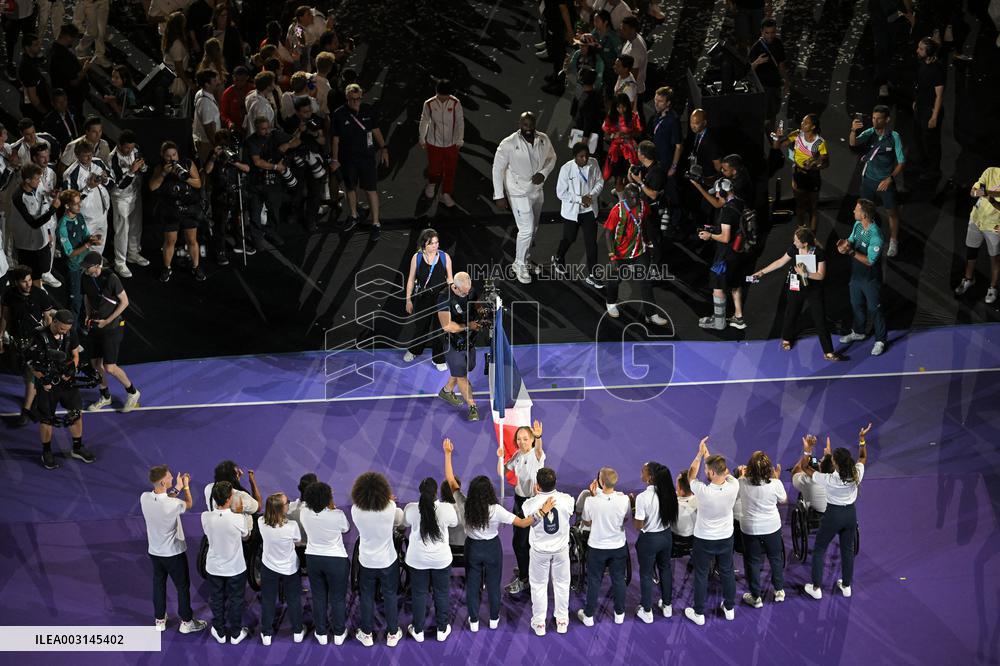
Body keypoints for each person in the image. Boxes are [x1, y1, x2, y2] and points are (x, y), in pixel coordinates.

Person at [463, 468, 545, 631]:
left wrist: (448, 456)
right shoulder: (496, 510)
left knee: (472, 586)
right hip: (492, 549)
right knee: (493, 585)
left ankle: (473, 621)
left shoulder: (467, 506)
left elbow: (452, 484)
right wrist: (541, 512)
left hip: (472, 548)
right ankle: (494, 619)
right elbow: (522, 523)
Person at [801, 424, 871, 599]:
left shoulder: (829, 479)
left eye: (833, 460)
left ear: (836, 464)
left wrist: (808, 451)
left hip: (833, 515)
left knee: (819, 549)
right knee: (847, 549)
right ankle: (846, 586)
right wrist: (861, 439)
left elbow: (805, 468)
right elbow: (862, 457)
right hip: (850, 515)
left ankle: (816, 588)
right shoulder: (857, 473)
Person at [752, 227, 840, 360]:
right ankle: (787, 338)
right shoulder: (794, 249)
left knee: (820, 319)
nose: (794, 243)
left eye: (796, 241)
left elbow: (821, 275)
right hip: (796, 286)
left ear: (804, 243)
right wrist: (762, 272)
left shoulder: (819, 253)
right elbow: (780, 262)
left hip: (813, 288)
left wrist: (805, 274)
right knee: (791, 313)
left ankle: (828, 351)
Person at [140, 465, 208, 634]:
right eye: (169, 477)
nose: (171, 478)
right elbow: (189, 504)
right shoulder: (173, 504)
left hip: (155, 552)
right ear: (163, 482)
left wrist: (176, 487)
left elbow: (165, 499)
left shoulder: (144, 498)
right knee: (182, 586)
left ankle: (159, 620)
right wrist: (185, 486)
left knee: (158, 584)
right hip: (173, 553)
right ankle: (186, 622)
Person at [25, 310, 96, 469]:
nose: (65, 331)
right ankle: (46, 452)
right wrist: (43, 379)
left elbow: (75, 354)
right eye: (62, 328)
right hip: (47, 383)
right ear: (54, 322)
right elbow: (30, 363)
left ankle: (77, 447)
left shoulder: (70, 333)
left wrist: (71, 371)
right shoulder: (39, 336)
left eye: (68, 329)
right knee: (46, 418)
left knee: (76, 411)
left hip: (66, 381)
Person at [492, 112, 556, 283]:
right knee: (526, 229)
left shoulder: (543, 139)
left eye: (531, 125)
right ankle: (518, 265)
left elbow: (552, 158)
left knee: (533, 229)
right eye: (525, 125)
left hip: (537, 190)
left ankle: (526, 260)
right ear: (519, 124)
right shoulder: (508, 144)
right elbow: (497, 169)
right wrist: (499, 195)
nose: (528, 129)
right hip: (517, 191)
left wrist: (544, 173)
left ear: (535, 124)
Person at [684, 437, 738, 626]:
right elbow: (727, 473)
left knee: (700, 573)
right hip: (725, 538)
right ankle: (729, 608)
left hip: (704, 539)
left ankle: (699, 613)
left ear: (713, 472)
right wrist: (709, 458)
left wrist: (700, 455)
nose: (705, 472)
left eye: (707, 470)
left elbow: (690, 475)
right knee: (727, 571)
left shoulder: (703, 491)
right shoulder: (734, 485)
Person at [81, 252, 141, 412]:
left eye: (88, 267)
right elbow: (87, 296)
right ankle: (105, 396)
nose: (86, 270)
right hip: (95, 325)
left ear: (97, 266)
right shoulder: (85, 277)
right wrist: (87, 314)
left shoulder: (111, 278)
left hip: (112, 326)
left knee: (110, 367)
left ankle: (132, 392)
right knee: (95, 364)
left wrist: (107, 321)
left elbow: (125, 302)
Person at [351, 472, 404, 648]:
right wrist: (388, 500)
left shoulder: (356, 510)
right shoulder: (390, 507)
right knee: (390, 595)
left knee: (366, 596)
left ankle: (366, 634)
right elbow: (398, 518)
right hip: (388, 561)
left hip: (366, 561)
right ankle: (393, 633)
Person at [402, 477, 458, 643]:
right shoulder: (447, 509)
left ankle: (418, 630)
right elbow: (454, 523)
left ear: (420, 492)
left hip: (416, 560)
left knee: (418, 594)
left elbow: (404, 523)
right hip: (441, 560)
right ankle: (442, 629)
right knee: (441, 593)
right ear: (436, 492)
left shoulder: (411, 509)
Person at [522, 467, 575, 636]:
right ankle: (562, 621)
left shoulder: (529, 505)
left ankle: (539, 624)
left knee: (538, 586)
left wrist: (536, 496)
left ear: (537, 486)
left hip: (539, 552)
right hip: (561, 551)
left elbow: (528, 516)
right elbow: (572, 510)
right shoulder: (567, 500)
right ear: (555, 483)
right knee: (562, 584)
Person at [603, 184, 667, 325]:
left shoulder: (643, 206)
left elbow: (644, 223)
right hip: (620, 253)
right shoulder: (617, 211)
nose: (635, 200)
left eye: (638, 197)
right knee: (615, 280)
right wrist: (612, 255)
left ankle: (651, 314)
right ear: (625, 196)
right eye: (632, 197)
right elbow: (608, 233)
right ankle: (611, 302)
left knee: (645, 282)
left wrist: (648, 242)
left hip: (639, 250)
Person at [0, 265, 56, 425]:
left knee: (30, 375)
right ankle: (35, 401)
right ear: (16, 282)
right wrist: (0, 337)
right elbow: (4, 316)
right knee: (24, 373)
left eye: (30, 280)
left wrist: (48, 341)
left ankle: (26, 410)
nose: (29, 284)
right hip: (17, 341)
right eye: (24, 281)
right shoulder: (9, 295)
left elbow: (47, 318)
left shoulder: (40, 295)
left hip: (35, 342)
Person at [331, 83, 389, 239]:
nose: (356, 102)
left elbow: (376, 130)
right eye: (353, 99)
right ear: (347, 98)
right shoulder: (339, 114)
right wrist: (335, 159)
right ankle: (354, 215)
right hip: (348, 158)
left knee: (371, 189)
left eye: (358, 99)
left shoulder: (367, 110)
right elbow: (335, 139)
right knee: (350, 187)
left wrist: (384, 148)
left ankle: (375, 223)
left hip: (367, 158)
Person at [201, 481, 253, 645]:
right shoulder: (238, 518)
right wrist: (240, 515)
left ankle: (220, 631)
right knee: (236, 599)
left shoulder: (205, 517)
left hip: (214, 567)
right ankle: (236, 633)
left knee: (216, 598)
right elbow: (246, 536)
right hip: (235, 568)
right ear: (229, 499)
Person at [577, 466, 630, 626]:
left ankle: (588, 616)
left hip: (597, 547)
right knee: (619, 580)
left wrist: (595, 497)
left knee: (594, 581)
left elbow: (587, 521)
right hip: (618, 547)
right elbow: (625, 519)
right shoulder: (624, 499)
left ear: (600, 482)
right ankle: (619, 614)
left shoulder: (591, 501)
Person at [849, 105, 904, 257]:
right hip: (868, 180)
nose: (875, 121)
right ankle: (864, 236)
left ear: (887, 119)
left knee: (892, 212)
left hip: (886, 182)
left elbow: (901, 162)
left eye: (879, 118)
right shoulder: (869, 133)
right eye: (873, 118)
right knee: (864, 212)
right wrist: (853, 130)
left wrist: (890, 178)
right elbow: (853, 144)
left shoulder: (894, 137)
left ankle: (893, 241)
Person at [300, 480, 350, 645]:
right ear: (327, 499)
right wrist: (332, 507)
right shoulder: (337, 515)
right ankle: (338, 633)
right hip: (335, 561)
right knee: (337, 598)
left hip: (313, 559)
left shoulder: (304, 513)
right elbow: (346, 528)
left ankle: (321, 633)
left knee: (319, 596)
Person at [148, 142, 207, 283]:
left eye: (174, 154)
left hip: (189, 208)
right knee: (170, 241)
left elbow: (198, 183)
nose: (172, 158)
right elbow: (152, 187)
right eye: (168, 156)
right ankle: (167, 268)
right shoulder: (159, 167)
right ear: (163, 156)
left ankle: (196, 266)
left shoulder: (187, 163)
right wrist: (163, 173)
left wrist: (185, 177)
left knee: (191, 239)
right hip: (170, 210)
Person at [499, 420, 546, 596]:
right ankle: (526, 567)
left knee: (519, 543)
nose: (521, 442)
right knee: (521, 541)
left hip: (532, 503)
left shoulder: (537, 454)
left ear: (532, 439)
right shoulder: (518, 455)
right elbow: (504, 470)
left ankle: (525, 579)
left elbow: (539, 449)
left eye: (525, 439)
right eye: (519, 439)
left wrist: (539, 436)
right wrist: (501, 457)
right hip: (519, 501)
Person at [737, 451, 787, 608]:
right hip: (772, 527)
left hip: (750, 529)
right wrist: (776, 480)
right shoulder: (776, 484)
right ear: (768, 469)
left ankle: (755, 597)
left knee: (752, 561)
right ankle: (779, 591)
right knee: (775, 558)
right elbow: (784, 500)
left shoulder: (741, 483)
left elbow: (735, 495)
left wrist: (741, 475)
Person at [838, 199, 887, 356]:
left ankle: (880, 340)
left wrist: (851, 252)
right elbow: (851, 240)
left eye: (856, 209)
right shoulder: (857, 226)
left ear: (864, 214)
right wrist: (844, 245)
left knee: (875, 309)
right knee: (856, 304)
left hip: (870, 279)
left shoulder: (876, 235)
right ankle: (859, 332)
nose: (853, 211)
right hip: (856, 276)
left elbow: (871, 261)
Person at [697, 178, 745, 331]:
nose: (717, 195)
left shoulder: (726, 210)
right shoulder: (739, 202)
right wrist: (714, 229)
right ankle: (738, 317)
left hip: (725, 256)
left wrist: (709, 236)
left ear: (723, 192)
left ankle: (719, 322)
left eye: (718, 193)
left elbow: (725, 237)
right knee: (735, 283)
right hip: (739, 252)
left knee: (717, 285)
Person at [554, 141, 604, 288]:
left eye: (586, 156)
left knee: (591, 243)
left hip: (589, 210)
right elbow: (560, 193)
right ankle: (558, 257)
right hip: (572, 212)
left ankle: (592, 275)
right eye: (581, 157)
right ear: (574, 157)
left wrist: (591, 196)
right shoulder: (566, 169)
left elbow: (600, 182)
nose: (584, 159)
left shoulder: (593, 163)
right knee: (569, 238)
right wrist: (579, 199)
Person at [633, 461, 678, 623]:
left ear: (650, 478)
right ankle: (667, 606)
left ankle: (647, 611)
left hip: (649, 540)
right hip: (666, 537)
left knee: (646, 574)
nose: (641, 473)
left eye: (643, 471)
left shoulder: (642, 498)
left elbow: (638, 526)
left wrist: (634, 509)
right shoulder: (669, 493)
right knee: (665, 569)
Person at [258, 492, 304, 645]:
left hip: (269, 567)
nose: (289, 504)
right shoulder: (292, 526)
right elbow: (298, 542)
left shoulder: (260, 522)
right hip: (289, 569)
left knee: (268, 600)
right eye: (287, 503)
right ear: (279, 509)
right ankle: (297, 631)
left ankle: (266, 634)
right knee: (294, 599)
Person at [404, 228, 453, 370]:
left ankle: (438, 359)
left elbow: (449, 278)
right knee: (421, 327)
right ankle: (414, 350)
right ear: (424, 243)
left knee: (439, 330)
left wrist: (454, 293)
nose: (435, 246)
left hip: (441, 297)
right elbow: (411, 280)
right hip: (423, 298)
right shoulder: (417, 257)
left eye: (437, 243)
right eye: (431, 243)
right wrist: (408, 299)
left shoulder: (445, 257)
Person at [436, 272, 481, 421]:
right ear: (455, 286)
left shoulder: (469, 290)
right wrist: (468, 326)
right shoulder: (444, 297)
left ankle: (447, 390)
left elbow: (476, 303)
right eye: (463, 292)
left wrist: (481, 311)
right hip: (453, 342)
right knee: (462, 375)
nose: (466, 293)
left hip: (469, 339)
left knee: (467, 367)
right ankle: (472, 406)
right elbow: (447, 326)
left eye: (468, 291)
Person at [203, 128, 252, 264]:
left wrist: (233, 161)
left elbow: (247, 169)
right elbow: (207, 170)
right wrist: (214, 156)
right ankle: (221, 251)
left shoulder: (235, 153)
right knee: (221, 225)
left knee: (238, 221)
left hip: (236, 192)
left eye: (226, 143)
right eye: (221, 144)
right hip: (219, 194)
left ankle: (239, 244)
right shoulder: (213, 154)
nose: (224, 147)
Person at [773, 113, 828, 232]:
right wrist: (777, 137)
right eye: (802, 122)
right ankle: (801, 232)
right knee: (800, 206)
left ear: (813, 127)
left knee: (813, 208)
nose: (802, 124)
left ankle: (812, 237)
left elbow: (825, 163)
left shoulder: (820, 142)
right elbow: (777, 146)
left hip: (813, 177)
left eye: (806, 123)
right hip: (798, 175)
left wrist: (813, 166)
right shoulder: (797, 134)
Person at [10, 164, 61, 290]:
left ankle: (38, 291)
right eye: (37, 179)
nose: (39, 181)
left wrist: (48, 232)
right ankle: (35, 298)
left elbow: (42, 206)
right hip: (28, 246)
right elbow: (33, 223)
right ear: (27, 180)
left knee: (40, 272)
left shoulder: (37, 187)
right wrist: (53, 209)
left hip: (41, 240)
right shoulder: (18, 197)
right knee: (29, 276)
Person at [106, 130, 149, 277]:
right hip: (121, 197)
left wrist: (142, 167)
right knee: (122, 230)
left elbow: (144, 167)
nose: (129, 150)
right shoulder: (112, 159)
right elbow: (120, 184)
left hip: (135, 194)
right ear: (119, 144)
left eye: (131, 147)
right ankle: (120, 262)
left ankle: (133, 252)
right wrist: (132, 171)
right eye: (126, 148)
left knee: (136, 225)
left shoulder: (135, 149)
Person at [955, 168, 1000, 304]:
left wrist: (991, 199)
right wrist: (988, 192)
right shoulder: (991, 171)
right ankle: (968, 279)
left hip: (995, 226)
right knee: (971, 251)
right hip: (976, 219)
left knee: (995, 257)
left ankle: (993, 287)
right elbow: (973, 192)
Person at [418, 79, 464, 208]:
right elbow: (424, 121)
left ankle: (445, 193)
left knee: (450, 170)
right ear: (436, 93)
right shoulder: (429, 103)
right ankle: (432, 184)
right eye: (440, 96)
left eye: (445, 97)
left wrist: (460, 139)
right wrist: (422, 138)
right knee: (434, 168)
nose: (443, 99)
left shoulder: (455, 103)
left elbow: (460, 122)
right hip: (434, 143)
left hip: (452, 143)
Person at [55, 189, 99, 325]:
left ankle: (84, 322)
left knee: (87, 296)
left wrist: (93, 239)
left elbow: (86, 234)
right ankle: (71, 332)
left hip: (84, 265)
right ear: (67, 205)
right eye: (76, 204)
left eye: (80, 202)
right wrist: (87, 245)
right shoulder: (63, 226)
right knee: (75, 301)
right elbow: (69, 253)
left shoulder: (79, 217)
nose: (80, 206)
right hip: (73, 268)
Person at [61, 141, 111, 257]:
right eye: (86, 155)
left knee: (100, 245)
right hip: (85, 219)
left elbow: (112, 182)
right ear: (77, 155)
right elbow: (68, 201)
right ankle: (83, 272)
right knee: (83, 249)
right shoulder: (70, 174)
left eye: (91, 154)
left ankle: (96, 268)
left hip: (103, 214)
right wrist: (88, 188)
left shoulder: (98, 162)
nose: (89, 157)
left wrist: (106, 180)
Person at [912, 37, 946, 182]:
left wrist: (934, 116)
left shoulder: (937, 69)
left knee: (931, 142)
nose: (917, 50)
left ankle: (934, 171)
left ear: (928, 52)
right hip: (920, 106)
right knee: (920, 138)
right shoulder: (922, 63)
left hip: (930, 110)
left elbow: (939, 96)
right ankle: (924, 163)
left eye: (921, 49)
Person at [747, 18, 789, 131]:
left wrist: (785, 80)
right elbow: (747, 71)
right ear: (762, 32)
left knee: (774, 111)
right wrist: (757, 62)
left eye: (772, 32)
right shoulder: (756, 48)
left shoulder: (778, 43)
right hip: (762, 86)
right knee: (763, 114)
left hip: (775, 84)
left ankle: (770, 133)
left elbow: (781, 63)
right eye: (767, 33)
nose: (770, 36)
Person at [602, 93, 642, 195]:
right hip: (616, 152)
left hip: (630, 151)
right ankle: (621, 202)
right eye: (618, 107)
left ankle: (629, 200)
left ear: (627, 106)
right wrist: (613, 136)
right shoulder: (611, 117)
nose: (621, 109)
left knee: (630, 178)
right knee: (619, 178)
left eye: (623, 106)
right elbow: (606, 135)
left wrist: (629, 134)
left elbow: (639, 132)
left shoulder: (633, 116)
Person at [193, 68, 224, 165]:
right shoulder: (206, 103)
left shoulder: (201, 94)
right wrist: (216, 145)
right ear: (207, 84)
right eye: (214, 81)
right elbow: (208, 128)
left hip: (204, 141)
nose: (218, 82)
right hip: (207, 144)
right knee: (208, 172)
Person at [792, 435, 829, 513]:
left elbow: (795, 472)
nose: (820, 460)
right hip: (831, 518)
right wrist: (828, 457)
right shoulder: (839, 480)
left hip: (812, 517)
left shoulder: (807, 481)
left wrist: (807, 453)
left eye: (821, 461)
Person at [619, 15, 648, 95]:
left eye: (624, 29)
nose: (621, 30)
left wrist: (621, 91)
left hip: (633, 92)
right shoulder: (633, 37)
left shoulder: (635, 51)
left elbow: (632, 77)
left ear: (632, 30)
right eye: (621, 27)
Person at [673, 471, 698, 544]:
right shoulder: (700, 500)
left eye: (677, 486)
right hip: (697, 537)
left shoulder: (674, 505)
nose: (676, 488)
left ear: (682, 490)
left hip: (681, 538)